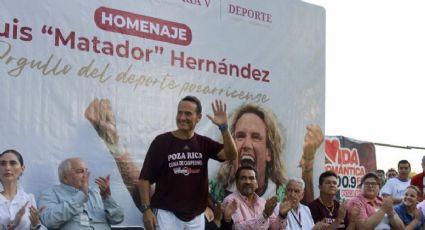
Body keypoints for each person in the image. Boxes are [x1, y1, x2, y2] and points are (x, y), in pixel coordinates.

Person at [138, 96, 238, 230]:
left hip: (195, 217)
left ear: (198, 117)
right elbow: (145, 179)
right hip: (166, 214)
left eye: (188, 113)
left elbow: (231, 155)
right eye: (179, 112)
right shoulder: (161, 142)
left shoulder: (204, 143)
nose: (182, 117)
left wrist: (224, 127)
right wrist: (146, 210)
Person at [211, 103, 323, 203]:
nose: (247, 145)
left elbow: (305, 210)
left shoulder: (283, 193)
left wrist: (308, 159)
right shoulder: (215, 191)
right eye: (240, 136)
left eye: (255, 137)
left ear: (268, 153)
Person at [38, 157, 124, 229]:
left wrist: (107, 198)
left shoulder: (96, 193)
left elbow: (118, 219)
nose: (85, 175)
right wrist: (81, 195)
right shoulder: (50, 193)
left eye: (86, 171)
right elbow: (49, 221)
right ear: (65, 177)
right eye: (80, 171)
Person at [222, 165, 288, 229]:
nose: (247, 182)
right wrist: (264, 215)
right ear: (237, 183)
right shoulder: (230, 201)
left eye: (251, 178)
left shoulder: (262, 202)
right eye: (243, 178)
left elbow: (274, 227)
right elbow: (236, 227)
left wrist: (282, 215)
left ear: (256, 184)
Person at [0, 149, 42, 230]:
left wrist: (35, 225)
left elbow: (38, 227)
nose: (7, 167)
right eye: (2, 164)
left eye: (13, 163)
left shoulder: (29, 199)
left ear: (22, 168)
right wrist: (13, 225)